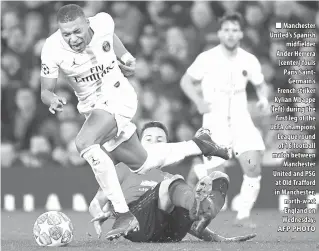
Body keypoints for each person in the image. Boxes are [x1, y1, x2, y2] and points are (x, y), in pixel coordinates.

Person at [40, 4, 230, 238]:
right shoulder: (51, 47)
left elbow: (111, 37)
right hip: (92, 110)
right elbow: (45, 89)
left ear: (86, 23)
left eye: (77, 31)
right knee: (143, 163)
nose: (72, 38)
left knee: (84, 143)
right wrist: (51, 99)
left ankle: (123, 214)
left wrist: (127, 57)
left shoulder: (102, 21)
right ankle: (200, 144)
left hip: (119, 96)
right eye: (66, 33)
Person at [180, 12, 269, 228]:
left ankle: (243, 215)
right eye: (227, 30)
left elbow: (260, 83)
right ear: (220, 33)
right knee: (215, 178)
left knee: (253, 166)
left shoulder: (249, 59)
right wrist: (198, 100)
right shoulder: (206, 58)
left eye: (235, 30)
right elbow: (186, 81)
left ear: (241, 33)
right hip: (215, 122)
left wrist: (263, 98)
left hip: (241, 121)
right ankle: (200, 171)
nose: (231, 34)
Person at [89, 163, 256, 243]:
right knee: (173, 183)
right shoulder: (122, 169)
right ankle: (205, 203)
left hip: (170, 234)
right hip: (135, 223)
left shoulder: (165, 176)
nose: (154, 144)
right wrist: (102, 214)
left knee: (176, 183)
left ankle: (205, 206)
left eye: (160, 140)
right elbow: (95, 203)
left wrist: (219, 239)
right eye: (149, 139)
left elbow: (187, 218)